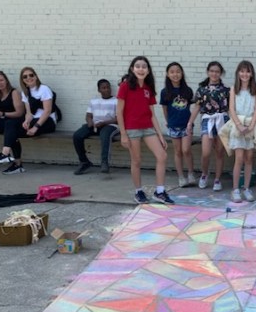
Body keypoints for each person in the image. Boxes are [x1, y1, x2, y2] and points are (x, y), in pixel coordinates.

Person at [116, 56, 173, 204]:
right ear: (132, 69)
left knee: (162, 156)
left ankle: (159, 191)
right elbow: (119, 112)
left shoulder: (148, 88)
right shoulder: (125, 86)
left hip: (148, 128)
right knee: (136, 160)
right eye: (138, 66)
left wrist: (160, 135)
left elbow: (152, 114)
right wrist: (123, 134)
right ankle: (138, 191)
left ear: (148, 70)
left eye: (144, 66)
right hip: (131, 129)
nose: (141, 69)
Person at [0, 67, 57, 175]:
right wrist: (27, 121)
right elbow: (29, 113)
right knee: (10, 126)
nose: (29, 78)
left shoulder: (44, 89)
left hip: (47, 122)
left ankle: (6, 156)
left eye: (31, 75)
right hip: (34, 120)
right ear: (22, 80)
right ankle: (14, 162)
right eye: (25, 76)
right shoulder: (25, 92)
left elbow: (47, 111)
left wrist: (35, 127)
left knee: (11, 132)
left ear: (36, 76)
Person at [189, 62, 229, 191]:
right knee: (205, 152)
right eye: (212, 71)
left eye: (217, 71)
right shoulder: (202, 90)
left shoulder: (226, 90)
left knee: (219, 151)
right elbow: (197, 107)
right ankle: (204, 174)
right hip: (207, 119)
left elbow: (230, 108)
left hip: (222, 119)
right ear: (208, 72)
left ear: (220, 73)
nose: (214, 74)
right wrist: (190, 122)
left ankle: (217, 179)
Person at [227, 60, 256, 203]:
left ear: (251, 73)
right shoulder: (234, 89)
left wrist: (251, 125)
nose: (244, 74)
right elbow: (231, 109)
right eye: (242, 71)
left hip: (250, 126)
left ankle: (246, 188)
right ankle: (235, 189)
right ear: (238, 73)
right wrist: (239, 125)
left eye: (247, 71)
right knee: (239, 158)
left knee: (249, 158)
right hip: (238, 126)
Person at [72, 79, 118, 175]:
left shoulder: (116, 101)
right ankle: (84, 162)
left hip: (110, 125)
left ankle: (104, 162)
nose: (107, 90)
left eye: (108, 87)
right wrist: (90, 122)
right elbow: (88, 115)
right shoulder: (94, 101)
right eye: (103, 88)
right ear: (99, 90)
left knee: (105, 135)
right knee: (77, 135)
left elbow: (118, 119)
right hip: (95, 125)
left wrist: (104, 123)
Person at [160, 63, 195, 187]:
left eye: (178, 71)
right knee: (178, 151)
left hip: (186, 125)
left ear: (182, 73)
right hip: (173, 125)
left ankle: (191, 173)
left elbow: (191, 107)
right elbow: (165, 109)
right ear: (168, 74)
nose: (175, 74)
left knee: (186, 150)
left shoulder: (187, 90)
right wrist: (168, 122)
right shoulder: (165, 92)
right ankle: (181, 177)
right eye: (172, 72)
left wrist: (190, 122)